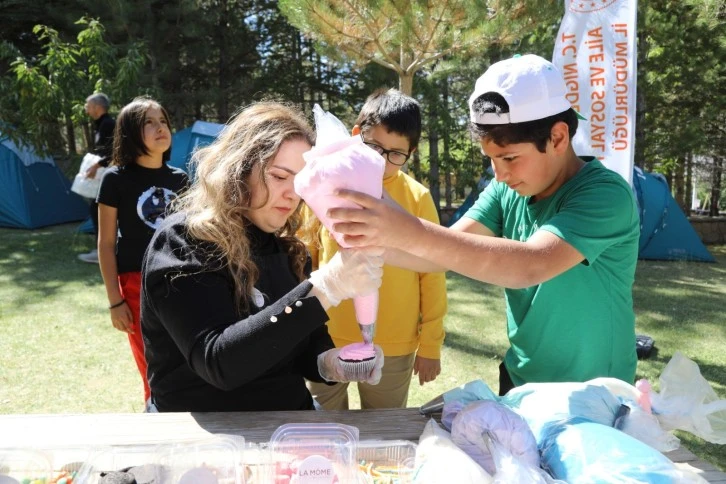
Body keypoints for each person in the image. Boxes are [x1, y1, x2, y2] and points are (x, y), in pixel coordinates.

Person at [327, 54, 640, 396]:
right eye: (491, 159)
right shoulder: (506, 189)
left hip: (596, 391)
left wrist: (404, 227)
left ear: (559, 138)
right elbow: (443, 252)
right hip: (522, 378)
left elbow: (530, 264)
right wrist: (370, 239)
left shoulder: (606, 195)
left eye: (509, 158)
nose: (499, 174)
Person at [140, 102, 385, 412]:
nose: (292, 194)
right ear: (238, 169)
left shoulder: (288, 249)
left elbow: (304, 344)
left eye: (300, 181)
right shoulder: (183, 241)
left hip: (288, 428)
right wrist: (326, 288)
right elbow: (219, 363)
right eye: (279, 176)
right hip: (205, 441)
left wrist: (330, 364)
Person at [301, 89, 447, 410]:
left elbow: (433, 273)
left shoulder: (417, 198)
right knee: (321, 429)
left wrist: (430, 345)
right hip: (325, 339)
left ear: (410, 153)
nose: (383, 160)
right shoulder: (324, 187)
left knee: (383, 433)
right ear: (355, 135)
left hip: (393, 343)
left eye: (396, 153)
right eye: (375, 146)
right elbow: (306, 262)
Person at [97, 96, 188, 405]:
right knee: (151, 365)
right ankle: (156, 419)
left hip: (180, 281)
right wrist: (114, 301)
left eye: (163, 121)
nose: (159, 127)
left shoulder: (180, 179)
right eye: (148, 122)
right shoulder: (115, 180)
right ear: (130, 133)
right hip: (136, 284)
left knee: (187, 361)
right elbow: (106, 244)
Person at [78, 93, 116, 264]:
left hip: (108, 175)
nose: (86, 109)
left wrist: (96, 165)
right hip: (102, 174)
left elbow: (113, 151)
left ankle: (103, 251)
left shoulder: (108, 124)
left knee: (99, 210)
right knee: (95, 209)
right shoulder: (100, 124)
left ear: (97, 107)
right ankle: (100, 249)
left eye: (88, 105)